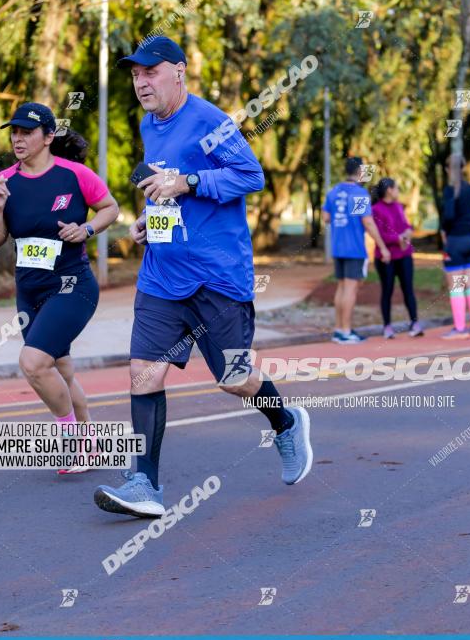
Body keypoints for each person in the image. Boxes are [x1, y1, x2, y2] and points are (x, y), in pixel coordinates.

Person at [94, 35, 313, 519]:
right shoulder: (149, 125)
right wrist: (148, 221)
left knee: (236, 380)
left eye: (150, 72)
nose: (141, 82)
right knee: (142, 374)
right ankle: (144, 485)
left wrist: (189, 181)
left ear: (179, 71)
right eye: (135, 75)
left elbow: (251, 176)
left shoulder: (211, 122)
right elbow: (163, 189)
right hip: (162, 277)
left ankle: (286, 421)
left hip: (216, 278)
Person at [0, 102, 119, 471]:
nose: (18, 139)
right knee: (61, 369)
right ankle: (90, 445)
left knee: (33, 363)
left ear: (47, 137)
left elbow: (110, 207)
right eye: (14, 132)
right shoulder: (3, 182)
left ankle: (72, 439)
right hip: (29, 288)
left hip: (72, 285)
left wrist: (87, 229)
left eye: (26, 132)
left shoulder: (75, 175)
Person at [322, 157, 391, 344]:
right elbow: (367, 221)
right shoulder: (359, 194)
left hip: (338, 247)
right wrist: (382, 247)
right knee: (351, 290)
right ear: (360, 171)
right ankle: (346, 331)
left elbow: (326, 218)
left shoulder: (334, 191)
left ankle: (338, 329)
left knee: (342, 287)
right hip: (354, 248)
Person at [440, 154, 470, 339]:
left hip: (455, 242)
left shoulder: (450, 190)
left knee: (456, 286)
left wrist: (445, 233)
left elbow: (448, 217)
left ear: (448, 169)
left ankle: (459, 329)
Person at [371, 178, 422, 338]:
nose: (398, 191)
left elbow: (405, 225)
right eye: (396, 188)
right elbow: (379, 234)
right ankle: (387, 327)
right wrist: (397, 239)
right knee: (387, 291)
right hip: (386, 257)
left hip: (404, 255)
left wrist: (408, 232)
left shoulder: (399, 206)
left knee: (408, 289)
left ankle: (415, 323)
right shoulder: (376, 209)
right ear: (389, 190)